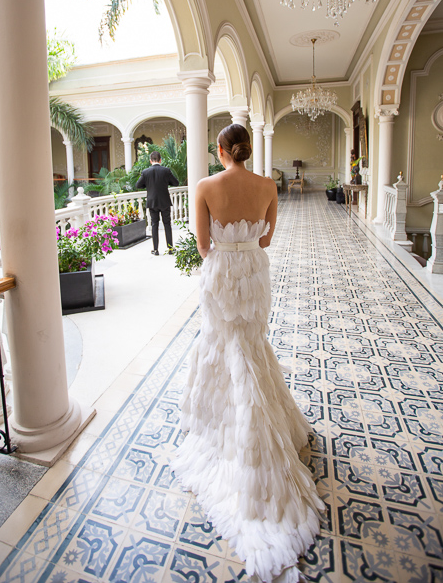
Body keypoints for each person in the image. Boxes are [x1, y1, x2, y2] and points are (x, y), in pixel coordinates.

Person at [171, 124, 324, 583]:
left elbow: (202, 245)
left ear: (221, 151)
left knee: (224, 346)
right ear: (249, 149)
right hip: (254, 271)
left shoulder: (205, 186)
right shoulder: (267, 185)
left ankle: (236, 432)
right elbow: (267, 239)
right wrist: (244, 246)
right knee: (251, 347)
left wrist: (225, 249)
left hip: (221, 273)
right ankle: (259, 420)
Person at [135, 150, 179, 255]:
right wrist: (166, 182)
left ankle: (155, 249)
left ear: (151, 161)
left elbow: (138, 185)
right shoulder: (166, 170)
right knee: (167, 224)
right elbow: (175, 183)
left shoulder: (145, 172)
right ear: (160, 160)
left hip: (152, 202)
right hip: (164, 201)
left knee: (154, 225)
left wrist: (148, 185)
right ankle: (170, 249)